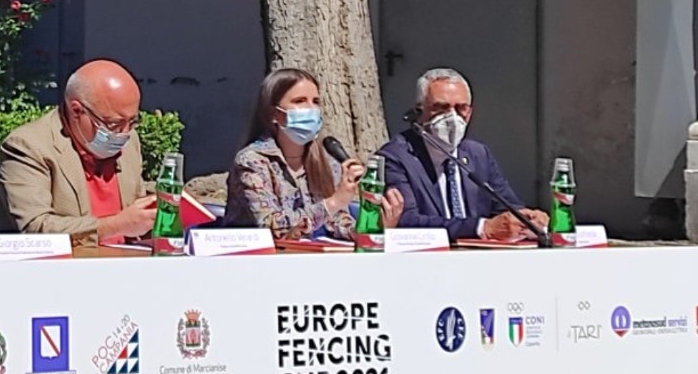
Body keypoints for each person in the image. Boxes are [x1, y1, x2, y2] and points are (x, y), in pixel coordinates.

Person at [224, 67, 404, 241]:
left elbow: (337, 221)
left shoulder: (325, 160)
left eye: (315, 101)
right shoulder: (251, 162)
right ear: (274, 114)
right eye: (300, 101)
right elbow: (274, 228)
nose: (311, 109)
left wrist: (373, 226)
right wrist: (334, 202)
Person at [0, 59, 157, 239]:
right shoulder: (27, 146)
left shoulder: (130, 141)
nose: (124, 133)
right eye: (113, 124)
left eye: (132, 121)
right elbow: (36, 227)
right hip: (56, 266)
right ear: (77, 111)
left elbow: (136, 205)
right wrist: (116, 225)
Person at [378, 67, 546, 243]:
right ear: (419, 113)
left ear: (470, 113)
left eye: (461, 108)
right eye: (441, 108)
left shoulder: (478, 154)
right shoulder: (394, 157)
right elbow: (406, 221)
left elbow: (506, 208)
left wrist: (528, 220)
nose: (452, 117)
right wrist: (481, 227)